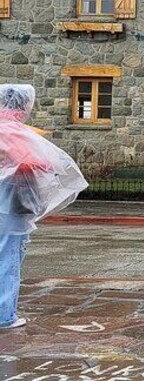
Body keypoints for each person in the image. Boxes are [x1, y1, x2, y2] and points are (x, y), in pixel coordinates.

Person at [0, 84, 87, 329]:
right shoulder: (15, 132)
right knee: (8, 258)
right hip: (11, 204)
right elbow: (30, 163)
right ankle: (5, 315)